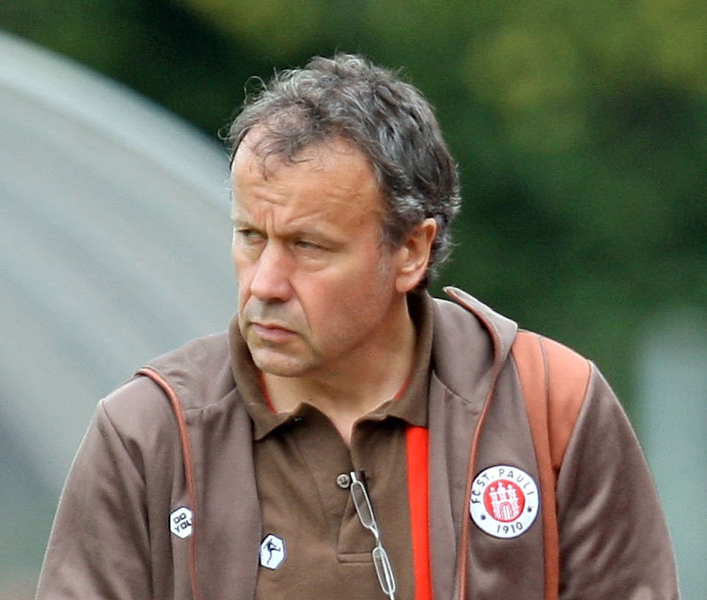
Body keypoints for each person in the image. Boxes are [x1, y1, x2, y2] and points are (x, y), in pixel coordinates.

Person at [36, 53, 678, 600]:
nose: (264, 283)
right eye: (249, 237)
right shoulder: (149, 435)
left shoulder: (549, 407)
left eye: (309, 246)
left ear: (410, 252)